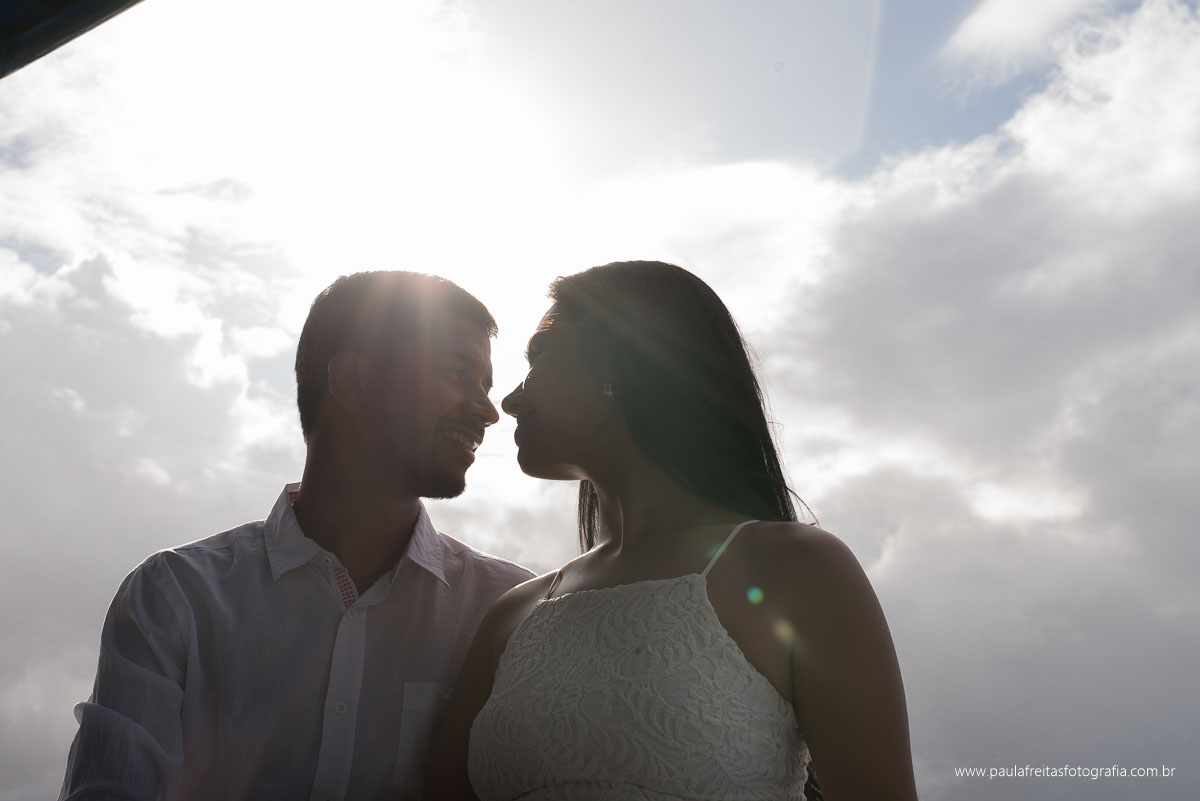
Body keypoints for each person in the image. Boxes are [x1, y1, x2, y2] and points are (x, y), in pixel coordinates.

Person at [424, 261, 918, 800]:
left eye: (539, 356)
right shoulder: (510, 616)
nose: (510, 401)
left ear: (623, 365)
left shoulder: (796, 570)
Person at [59, 271, 534, 801]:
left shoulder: (509, 613)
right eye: (457, 372)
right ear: (352, 382)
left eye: (485, 385)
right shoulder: (173, 600)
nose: (487, 410)